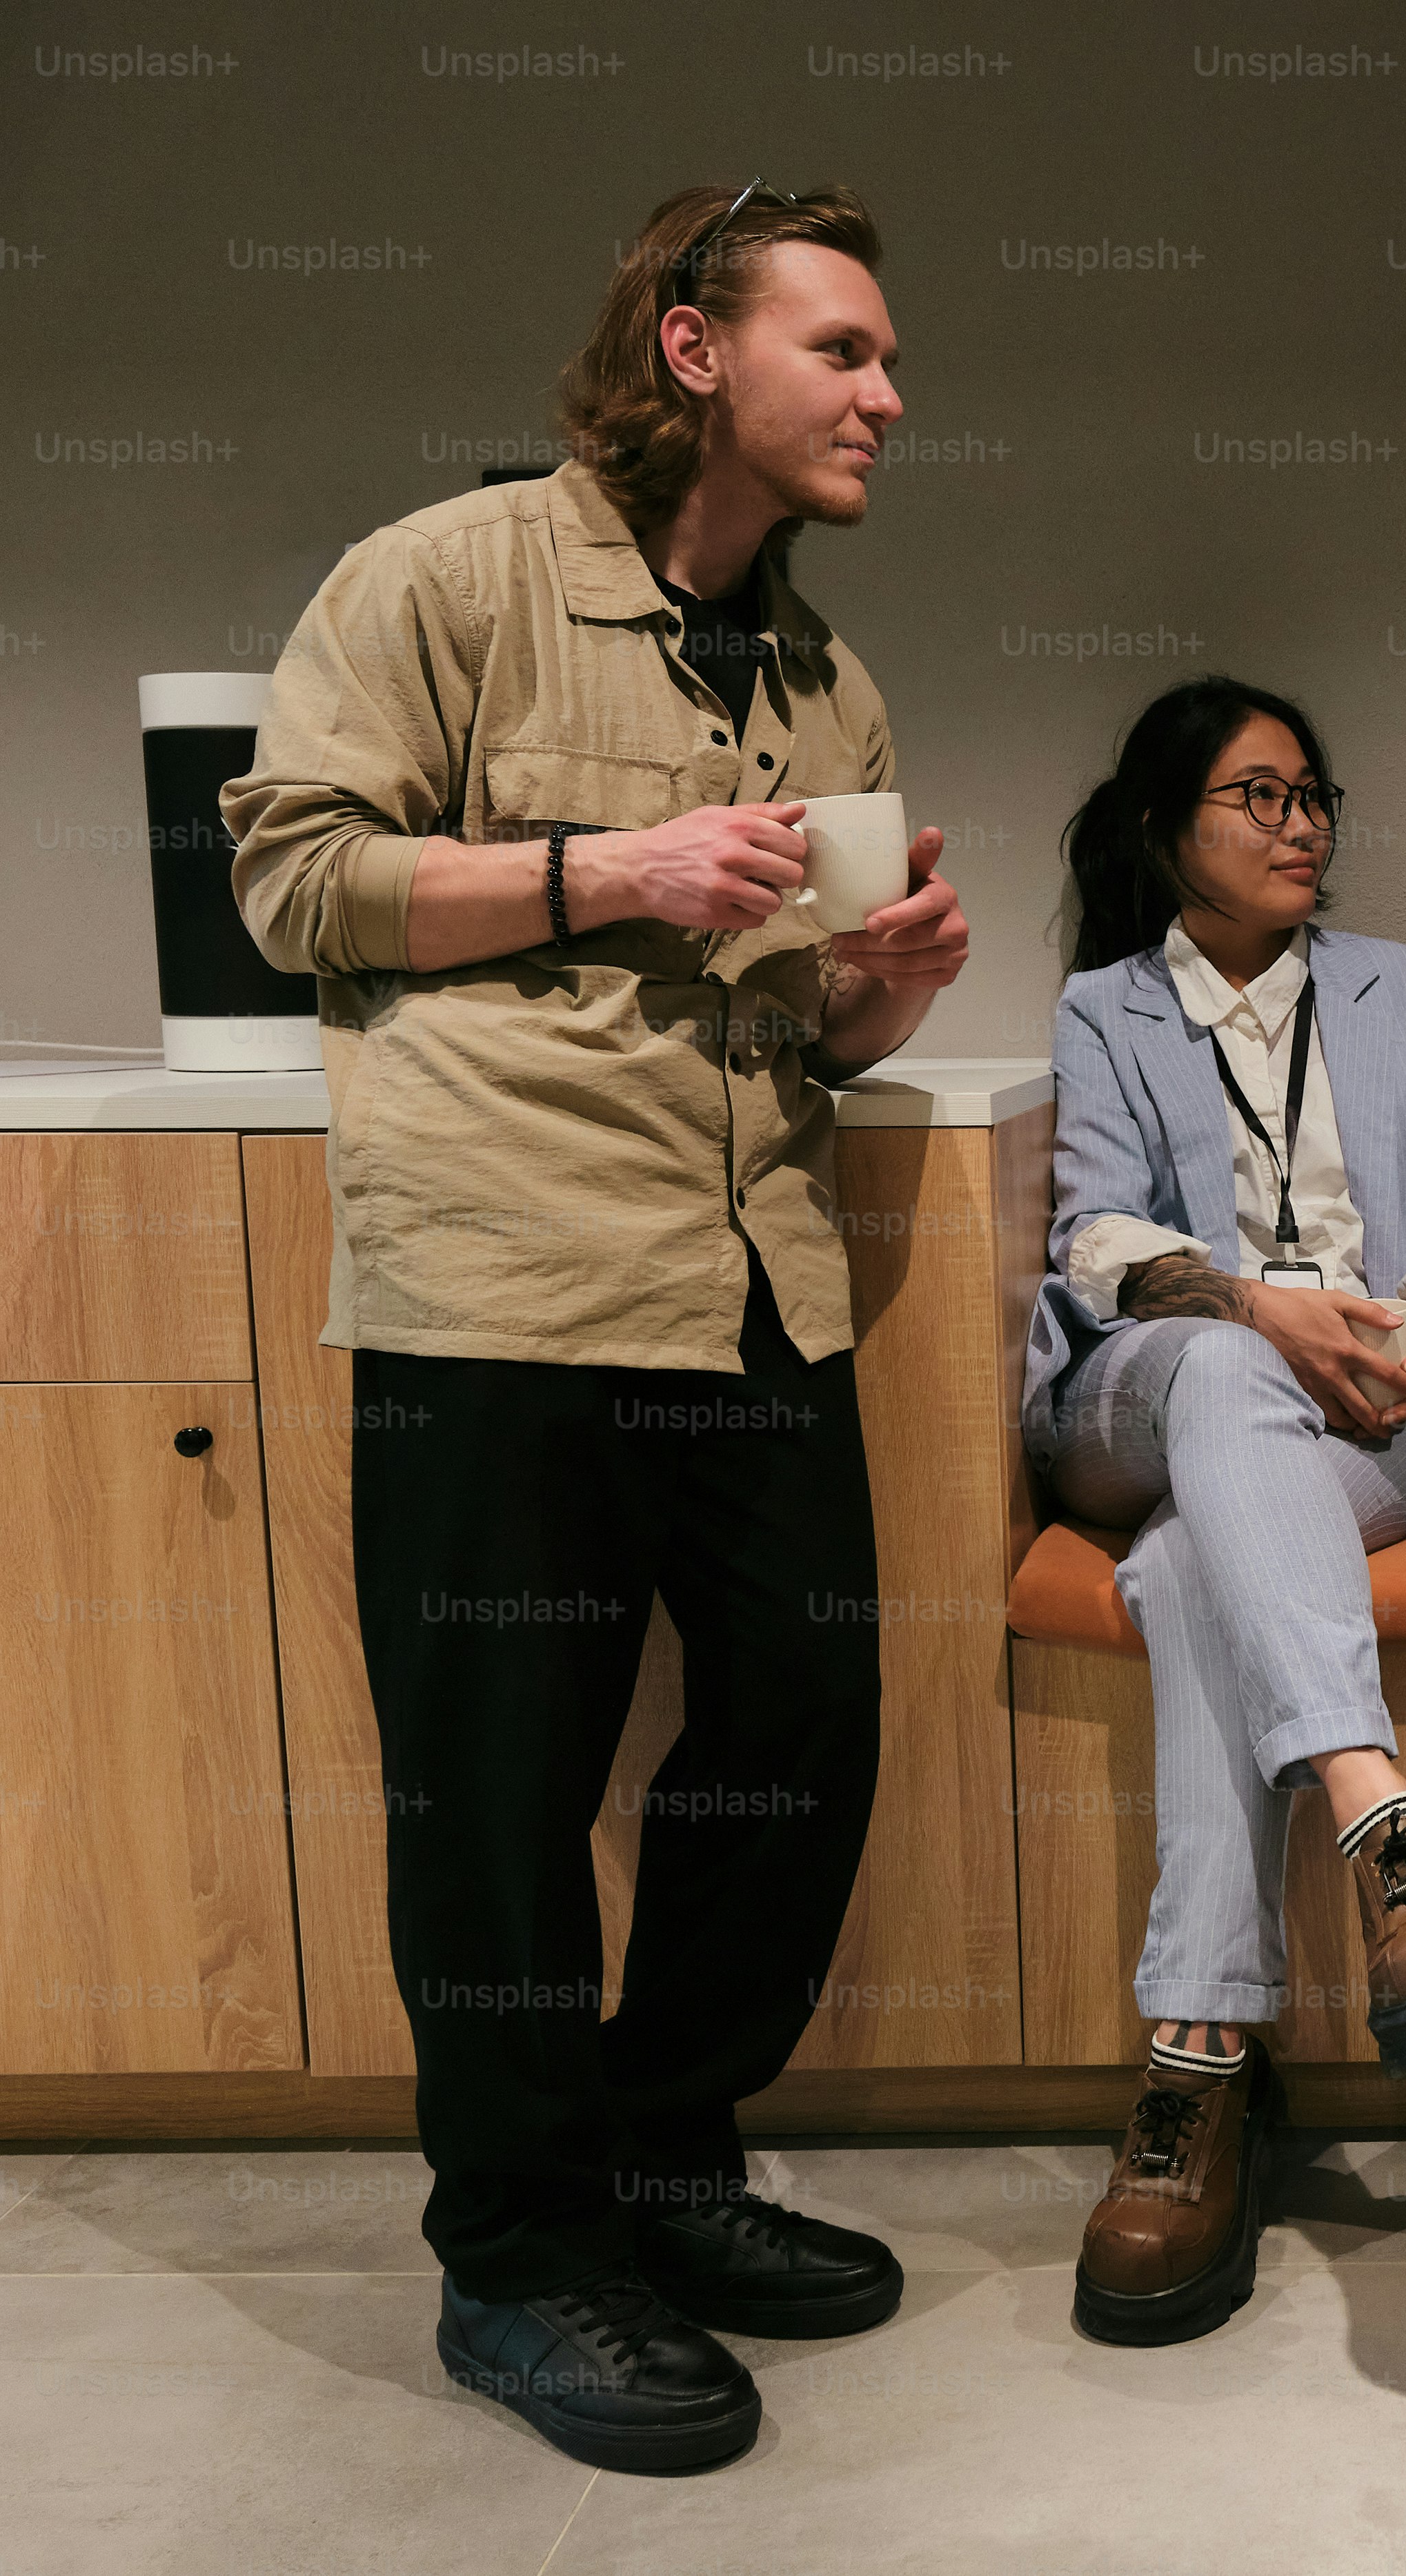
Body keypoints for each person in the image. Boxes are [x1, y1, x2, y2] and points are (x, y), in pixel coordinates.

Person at [226, 181, 972, 2475]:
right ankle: (527, 2246)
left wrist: (874, 999)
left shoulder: (825, 680)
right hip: (506, 1282)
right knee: (503, 1793)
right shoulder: (443, 582)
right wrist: (610, 871)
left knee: (804, 1729)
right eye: (840, 348)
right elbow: (287, 877)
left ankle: (660, 2158)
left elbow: (787, 1021)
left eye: (883, 356)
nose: (886, 393)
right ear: (687, 348)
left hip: (754, 1281)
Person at [1027, 676, 1406, 2344]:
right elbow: (1096, 1240)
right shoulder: (1109, 1005)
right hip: (1149, 1391)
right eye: (1257, 795)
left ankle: (1197, 2071)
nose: (1301, 821)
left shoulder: (1403, 992)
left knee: (1188, 1577)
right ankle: (1386, 1819)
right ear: (1171, 827)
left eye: (1314, 793)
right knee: (1223, 1375)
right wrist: (1262, 1311)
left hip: (1381, 1411)